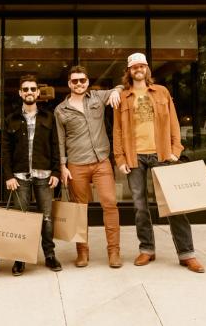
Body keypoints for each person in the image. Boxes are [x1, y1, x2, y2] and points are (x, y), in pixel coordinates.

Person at [113, 52, 205, 273]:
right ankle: (147, 249)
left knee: (174, 205)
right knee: (140, 206)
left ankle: (187, 253)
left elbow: (173, 121)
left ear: (147, 69)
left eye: (141, 66)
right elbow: (116, 130)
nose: (138, 69)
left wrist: (175, 149)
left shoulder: (162, 92)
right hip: (135, 158)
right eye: (134, 67)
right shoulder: (123, 97)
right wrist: (120, 158)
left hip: (161, 154)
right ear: (129, 71)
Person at [54, 65, 123, 268]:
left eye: (82, 80)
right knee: (79, 210)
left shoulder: (97, 97)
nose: (79, 84)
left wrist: (117, 92)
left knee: (110, 204)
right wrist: (63, 166)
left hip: (101, 161)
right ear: (69, 84)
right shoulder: (61, 110)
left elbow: (118, 86)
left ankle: (114, 252)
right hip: (76, 164)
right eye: (74, 81)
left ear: (87, 82)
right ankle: (82, 252)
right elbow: (60, 140)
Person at [3, 75, 62, 276]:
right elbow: (5, 150)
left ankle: (50, 255)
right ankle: (20, 258)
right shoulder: (11, 119)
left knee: (46, 218)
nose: (29, 92)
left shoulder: (48, 117)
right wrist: (9, 175)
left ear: (38, 93)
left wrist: (56, 171)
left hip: (44, 175)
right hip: (19, 177)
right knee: (21, 219)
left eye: (32, 89)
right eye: (25, 89)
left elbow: (56, 145)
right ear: (20, 93)